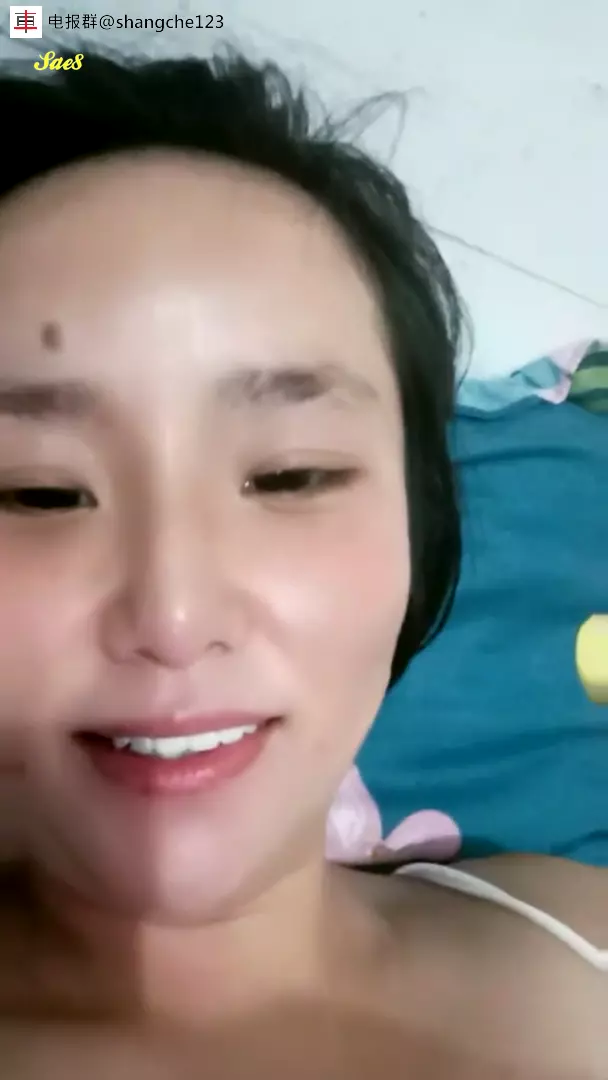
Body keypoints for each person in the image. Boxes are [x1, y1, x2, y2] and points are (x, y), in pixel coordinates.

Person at [0, 44, 605, 1080]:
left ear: (418, 523)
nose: (175, 617)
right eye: (38, 491)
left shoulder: (576, 936)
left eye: (291, 476)